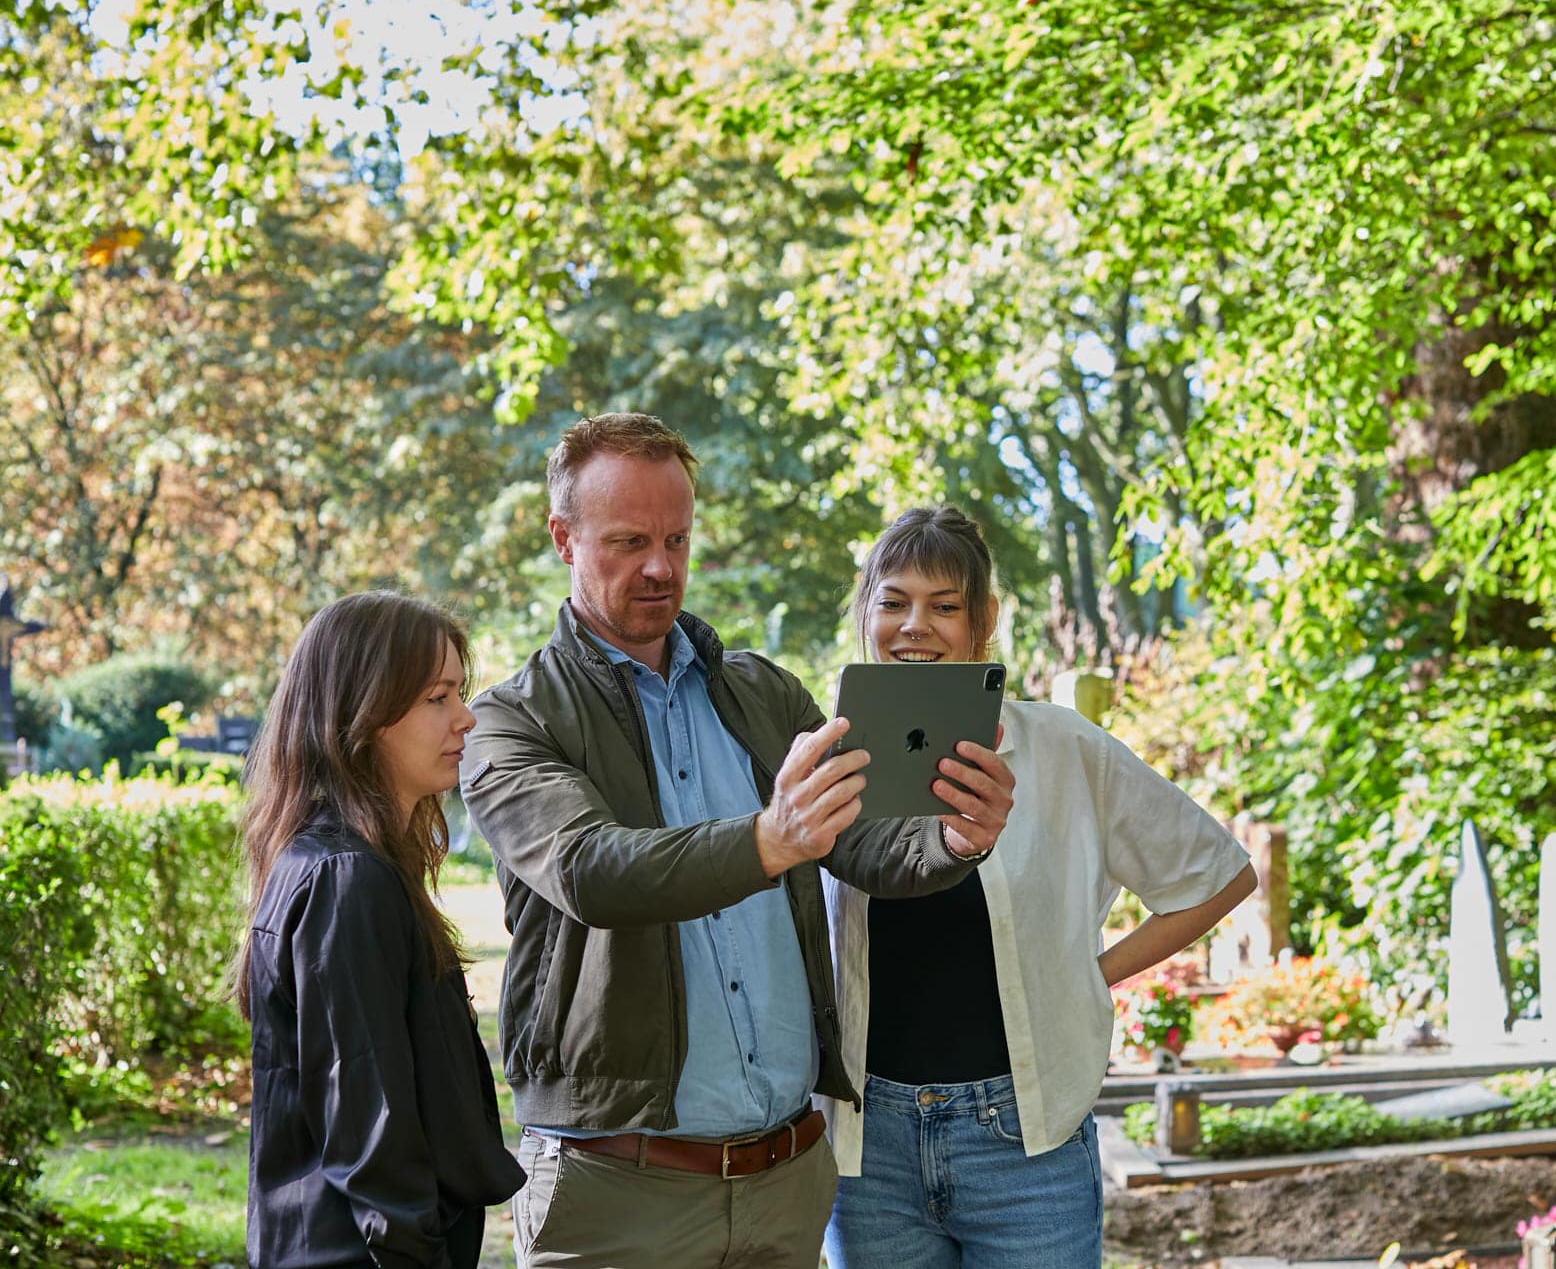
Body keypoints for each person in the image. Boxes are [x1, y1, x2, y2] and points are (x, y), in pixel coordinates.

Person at [459, 413, 1016, 1268]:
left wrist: (954, 841)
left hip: (784, 1184)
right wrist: (768, 839)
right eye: (629, 541)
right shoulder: (511, 720)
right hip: (614, 1193)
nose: (660, 567)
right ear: (562, 538)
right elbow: (590, 871)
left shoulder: (764, 694)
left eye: (677, 540)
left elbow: (864, 846)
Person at [823, 507, 1258, 1269]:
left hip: (1027, 1149)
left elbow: (1217, 875)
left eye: (944, 605)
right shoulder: (826, 766)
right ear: (866, 614)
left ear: (984, 622)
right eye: (893, 602)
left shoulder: (1060, 749)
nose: (914, 625)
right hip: (869, 1156)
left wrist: (1090, 974)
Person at [237, 592, 524, 1269]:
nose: (465, 717)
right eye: (436, 697)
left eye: (460, 691)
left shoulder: (346, 864)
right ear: (360, 715)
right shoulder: (346, 881)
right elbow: (372, 1139)